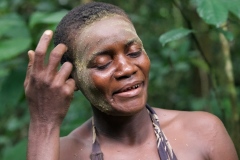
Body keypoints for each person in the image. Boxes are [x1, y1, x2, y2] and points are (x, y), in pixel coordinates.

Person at [24, 2, 238, 160]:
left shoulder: (203, 131)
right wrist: (44, 121)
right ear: (73, 79)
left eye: (134, 52)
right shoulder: (60, 153)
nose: (126, 69)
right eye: (102, 63)